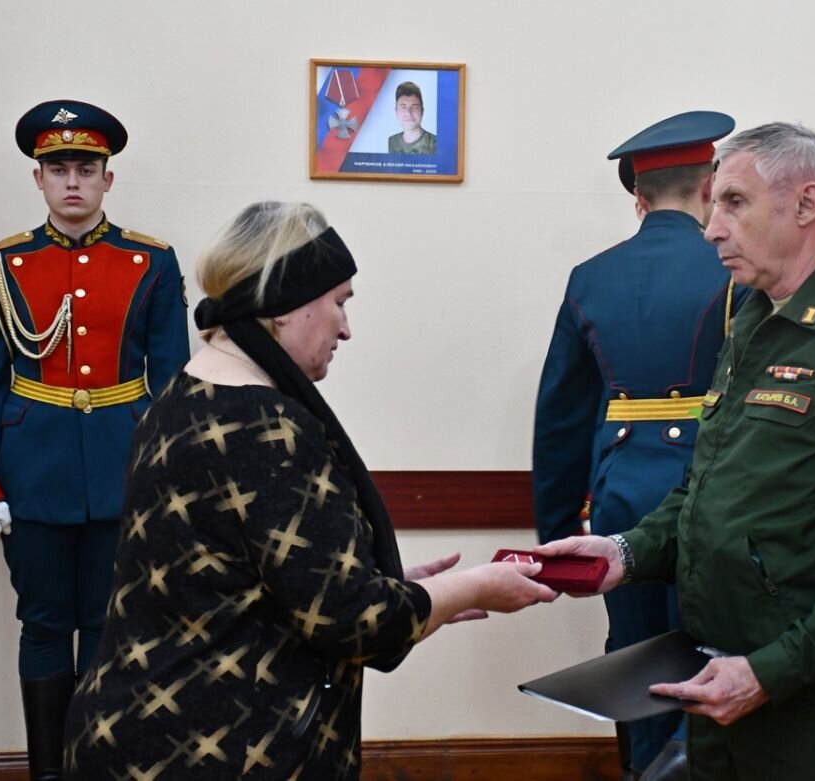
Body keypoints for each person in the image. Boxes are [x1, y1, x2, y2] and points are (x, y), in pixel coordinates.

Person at [62, 202, 557, 779]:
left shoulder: (181, 398)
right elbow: (354, 622)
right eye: (340, 302)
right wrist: (475, 585)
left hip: (138, 729)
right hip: (213, 749)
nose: (346, 328)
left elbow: (248, 580)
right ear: (284, 305)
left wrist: (399, 587)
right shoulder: (265, 428)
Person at [538, 122, 815, 780]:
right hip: (718, 682)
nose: (711, 228)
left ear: (806, 204)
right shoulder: (754, 315)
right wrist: (626, 552)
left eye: (733, 202)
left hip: (807, 708)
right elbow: (707, 485)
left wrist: (771, 671)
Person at [0, 99, 190, 780]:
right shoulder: (2, 263)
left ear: (108, 179)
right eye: (59, 169)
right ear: (39, 178)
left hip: (124, 466)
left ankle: (96, 769)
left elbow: (174, 382)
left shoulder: (151, 261)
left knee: (108, 623)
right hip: (31, 471)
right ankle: (47, 773)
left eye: (86, 169)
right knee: (44, 623)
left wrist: (171, 479)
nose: (73, 181)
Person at [532, 110, 742, 779]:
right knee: (712, 658)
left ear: (639, 199)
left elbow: (561, 415)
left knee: (636, 656)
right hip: (712, 494)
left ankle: (645, 768)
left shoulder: (589, 278)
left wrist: (558, 535)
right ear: (709, 186)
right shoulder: (735, 270)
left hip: (620, 497)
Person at [387, 81, 437, 155]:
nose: (408, 113)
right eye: (403, 107)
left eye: (414, 107)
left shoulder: (435, 144)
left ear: (422, 111)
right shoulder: (391, 142)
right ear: (396, 111)